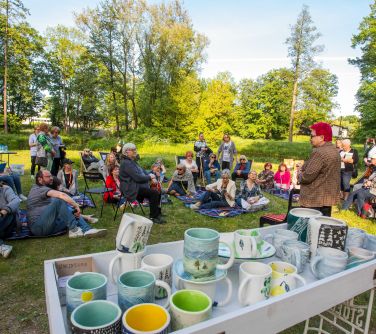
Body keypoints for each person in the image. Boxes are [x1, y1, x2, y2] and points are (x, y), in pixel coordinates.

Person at [27, 170, 106, 238]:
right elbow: (61, 195)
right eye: (48, 176)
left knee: (71, 212)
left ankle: (88, 230)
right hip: (38, 227)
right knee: (58, 200)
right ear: (40, 179)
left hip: (49, 225)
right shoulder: (39, 189)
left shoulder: (42, 188)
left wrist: (74, 210)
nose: (51, 178)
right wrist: (76, 206)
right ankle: (74, 230)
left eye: (51, 176)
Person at [299, 122, 341, 217]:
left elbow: (308, 176)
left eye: (312, 136)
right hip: (327, 198)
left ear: (322, 137)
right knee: (322, 226)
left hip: (314, 198)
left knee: (310, 228)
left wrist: (300, 174)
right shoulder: (335, 150)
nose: (310, 139)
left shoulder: (319, 152)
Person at [119, 143, 165, 224]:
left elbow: (143, 171)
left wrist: (152, 176)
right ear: (126, 152)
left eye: (135, 149)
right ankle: (153, 217)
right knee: (153, 193)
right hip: (130, 188)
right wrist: (150, 177)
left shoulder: (132, 161)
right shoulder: (126, 163)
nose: (135, 151)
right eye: (133, 150)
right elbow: (138, 178)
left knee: (157, 191)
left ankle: (157, 213)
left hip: (136, 186)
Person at [0, 183, 20, 258]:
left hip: (7, 221)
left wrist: (4, 211)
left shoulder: (6, 189)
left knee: (9, 213)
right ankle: (2, 247)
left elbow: (16, 201)